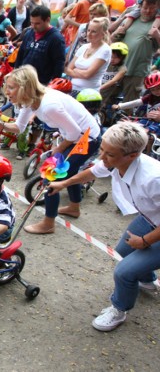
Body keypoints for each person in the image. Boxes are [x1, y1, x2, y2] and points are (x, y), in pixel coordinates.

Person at [47, 121, 160, 331]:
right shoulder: (115, 161)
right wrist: (63, 184)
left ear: (132, 155)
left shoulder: (154, 178)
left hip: (156, 225)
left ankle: (119, 309)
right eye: (102, 150)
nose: (101, 157)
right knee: (123, 250)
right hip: (151, 218)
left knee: (123, 272)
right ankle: (146, 278)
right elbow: (93, 172)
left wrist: (145, 241)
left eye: (109, 154)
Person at [0, 65, 101, 235]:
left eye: (11, 87)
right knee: (69, 171)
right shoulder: (29, 100)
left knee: (50, 176)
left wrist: (58, 149)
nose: (7, 91)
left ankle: (48, 223)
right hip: (75, 136)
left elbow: (75, 132)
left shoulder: (49, 105)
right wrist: (1, 125)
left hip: (87, 139)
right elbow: (19, 126)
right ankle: (74, 207)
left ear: (25, 87)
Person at [121, 0, 160, 104]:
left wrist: (157, 35)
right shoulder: (131, 20)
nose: (148, 11)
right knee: (107, 99)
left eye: (152, 8)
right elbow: (113, 34)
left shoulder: (157, 24)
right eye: (145, 8)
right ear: (140, 7)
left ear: (157, 9)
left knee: (129, 104)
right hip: (118, 68)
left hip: (137, 72)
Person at [14, 6, 66, 85]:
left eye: (37, 23)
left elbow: (59, 63)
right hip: (23, 79)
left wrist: (54, 83)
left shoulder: (56, 38)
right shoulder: (29, 33)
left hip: (42, 82)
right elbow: (21, 54)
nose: (33, 26)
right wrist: (16, 72)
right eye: (32, 23)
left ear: (48, 20)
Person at [65, 17, 111, 92]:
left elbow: (87, 75)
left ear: (103, 34)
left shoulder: (105, 50)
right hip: (72, 88)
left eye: (94, 32)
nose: (89, 34)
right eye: (88, 30)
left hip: (89, 93)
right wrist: (81, 72)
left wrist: (76, 70)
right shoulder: (83, 47)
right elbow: (68, 69)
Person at [99, 42, 128, 108]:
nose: (112, 59)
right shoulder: (105, 62)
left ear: (122, 58)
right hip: (99, 90)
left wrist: (99, 87)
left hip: (109, 94)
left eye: (116, 57)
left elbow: (113, 80)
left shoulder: (122, 69)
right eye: (111, 56)